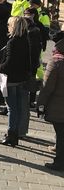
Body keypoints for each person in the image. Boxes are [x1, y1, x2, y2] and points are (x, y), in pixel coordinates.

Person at [0, 16, 31, 147]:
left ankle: (11, 135)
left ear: (13, 27)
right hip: (22, 79)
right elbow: (28, 61)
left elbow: (9, 62)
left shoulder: (12, 42)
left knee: (12, 108)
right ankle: (16, 134)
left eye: (9, 25)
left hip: (10, 79)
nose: (7, 27)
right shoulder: (25, 40)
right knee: (19, 108)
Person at [37, 32, 64, 171]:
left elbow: (46, 88)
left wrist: (40, 104)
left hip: (59, 106)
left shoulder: (56, 62)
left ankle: (59, 163)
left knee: (61, 135)